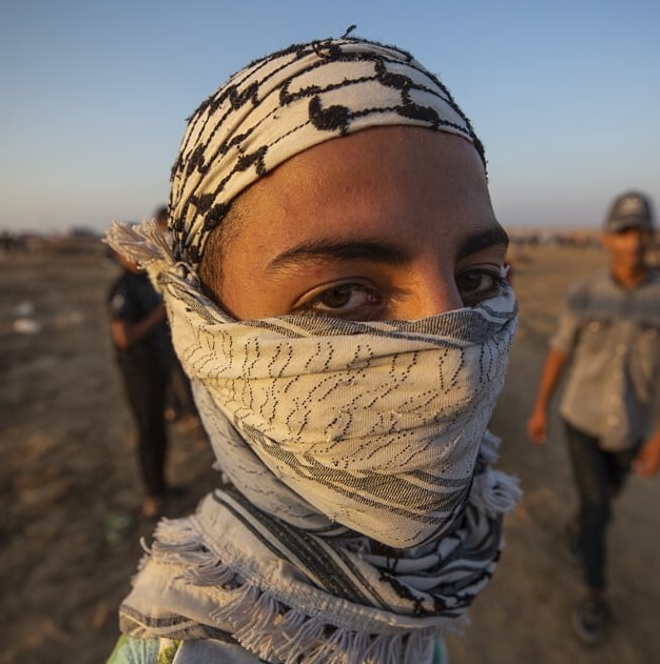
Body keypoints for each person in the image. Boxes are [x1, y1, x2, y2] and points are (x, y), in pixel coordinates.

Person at [104, 34, 521, 664]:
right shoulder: (193, 649)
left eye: (478, 280)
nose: (454, 365)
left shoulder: (437, 573)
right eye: (342, 296)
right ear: (200, 324)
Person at [526, 191, 660, 645]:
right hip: (581, 418)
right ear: (607, 239)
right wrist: (541, 405)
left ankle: (580, 525)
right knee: (600, 509)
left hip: (632, 429)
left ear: (653, 239)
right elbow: (560, 350)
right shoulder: (583, 294)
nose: (633, 242)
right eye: (624, 232)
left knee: (604, 501)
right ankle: (595, 594)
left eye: (642, 232)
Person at [106, 246, 175, 519]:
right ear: (119, 255)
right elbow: (123, 337)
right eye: (129, 252)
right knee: (148, 431)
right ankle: (153, 496)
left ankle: (162, 485)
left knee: (160, 430)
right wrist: (158, 315)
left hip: (158, 368)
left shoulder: (146, 281)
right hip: (139, 372)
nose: (136, 257)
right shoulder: (122, 289)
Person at [152, 205, 201, 424]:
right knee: (176, 372)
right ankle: (181, 407)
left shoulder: (175, 247)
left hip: (179, 322)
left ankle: (185, 408)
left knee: (182, 372)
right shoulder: (162, 250)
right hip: (169, 324)